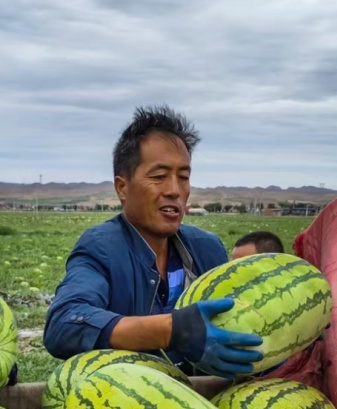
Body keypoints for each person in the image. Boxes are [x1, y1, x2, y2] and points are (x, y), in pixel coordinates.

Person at [43, 105, 264, 379]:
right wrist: (172, 331)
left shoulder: (207, 249)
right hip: (125, 400)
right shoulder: (102, 248)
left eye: (183, 177)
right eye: (159, 177)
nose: (174, 190)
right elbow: (64, 324)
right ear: (122, 187)